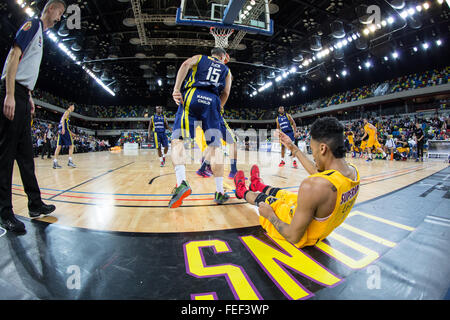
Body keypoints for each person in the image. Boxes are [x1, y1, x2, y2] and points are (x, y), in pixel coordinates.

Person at [234, 117, 360, 248]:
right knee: (281, 193)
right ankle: (257, 185)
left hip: (297, 232)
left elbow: (293, 236)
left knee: (264, 200)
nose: (314, 156)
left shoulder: (313, 186)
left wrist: (270, 215)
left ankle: (241, 190)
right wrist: (293, 148)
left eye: (313, 150)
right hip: (318, 226)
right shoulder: (352, 173)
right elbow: (323, 176)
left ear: (323, 149)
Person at [0, 0, 66, 232]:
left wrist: (27, 95)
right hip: (12, 93)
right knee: (6, 156)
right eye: (60, 11)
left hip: (21, 94)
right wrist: (10, 94)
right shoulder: (32, 25)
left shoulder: (40, 34)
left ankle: (35, 205)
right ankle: (5, 213)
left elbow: (25, 67)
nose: (61, 16)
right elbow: (13, 57)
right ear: (50, 8)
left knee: (26, 156)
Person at [169, 47, 232, 208]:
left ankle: (182, 182)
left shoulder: (200, 57)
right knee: (216, 147)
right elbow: (225, 92)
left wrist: (176, 89)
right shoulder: (227, 70)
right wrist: (219, 108)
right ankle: (219, 191)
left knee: (178, 139)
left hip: (193, 95)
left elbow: (185, 65)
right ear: (223, 57)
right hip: (213, 101)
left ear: (212, 54)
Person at [53, 104, 76, 168]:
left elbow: (65, 123)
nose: (74, 108)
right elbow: (63, 119)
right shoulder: (67, 112)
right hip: (64, 130)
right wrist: (63, 128)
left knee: (59, 147)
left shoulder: (67, 113)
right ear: (70, 106)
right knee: (71, 146)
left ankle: (55, 162)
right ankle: (70, 161)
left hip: (61, 130)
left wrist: (71, 133)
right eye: (73, 106)